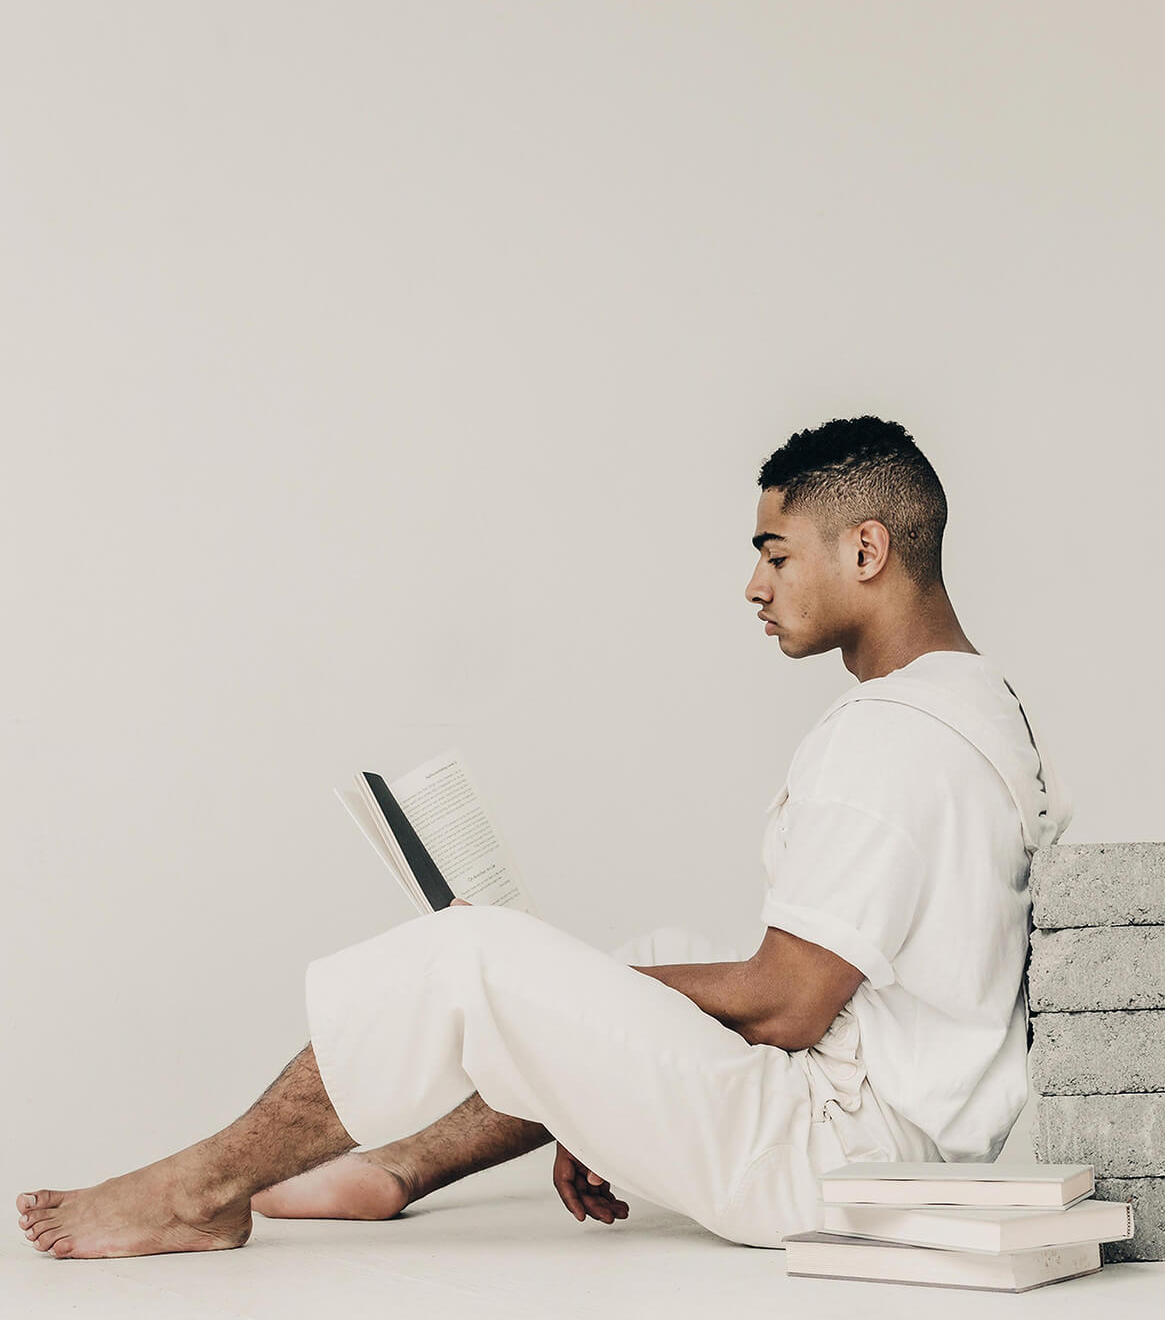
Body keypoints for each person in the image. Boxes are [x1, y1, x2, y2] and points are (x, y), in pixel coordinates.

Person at [16, 415, 1071, 1261]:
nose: (755, 586)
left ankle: (199, 1191)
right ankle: (396, 1168)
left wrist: (570, 995)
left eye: (776, 554)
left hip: (839, 1161)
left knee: (471, 957)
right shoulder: (980, 710)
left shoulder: (890, 737)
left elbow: (790, 1002)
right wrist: (590, 1030)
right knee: (642, 958)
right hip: (912, 1137)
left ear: (866, 549)